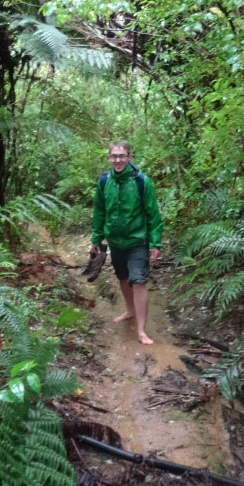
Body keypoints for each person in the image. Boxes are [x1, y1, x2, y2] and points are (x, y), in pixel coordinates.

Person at [91, 141, 162, 345]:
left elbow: (153, 214)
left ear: (130, 156)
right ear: (109, 158)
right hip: (115, 240)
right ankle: (130, 310)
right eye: (114, 156)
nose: (118, 160)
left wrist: (155, 244)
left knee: (138, 281)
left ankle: (141, 331)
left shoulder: (141, 181)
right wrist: (96, 238)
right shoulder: (104, 181)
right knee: (123, 277)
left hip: (137, 240)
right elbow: (99, 211)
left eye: (122, 156)